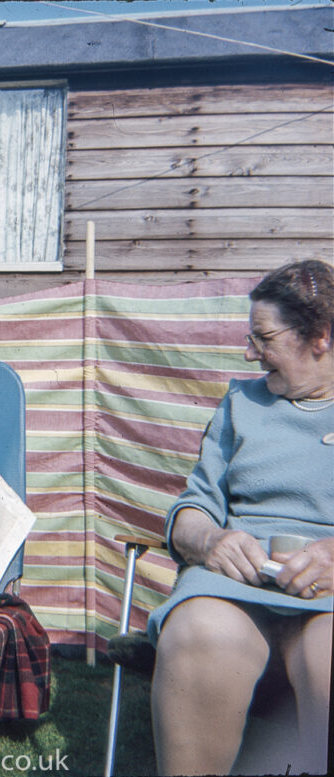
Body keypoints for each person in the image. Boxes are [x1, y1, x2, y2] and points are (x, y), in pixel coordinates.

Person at [147, 259, 334, 776]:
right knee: (199, 635)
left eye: (263, 338)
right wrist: (209, 541)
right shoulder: (240, 404)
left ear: (318, 337)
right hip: (235, 581)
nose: (249, 353)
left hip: (329, 592)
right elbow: (192, 507)